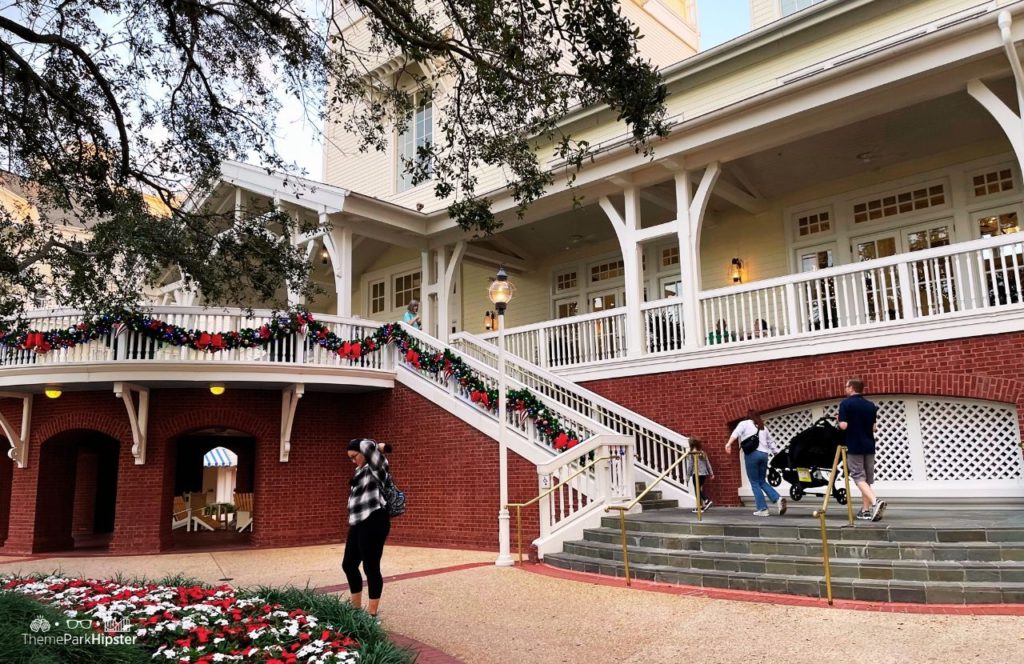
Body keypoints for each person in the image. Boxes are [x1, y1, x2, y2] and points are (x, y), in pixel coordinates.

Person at [343, 438, 393, 621]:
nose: (352, 461)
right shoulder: (360, 471)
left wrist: (377, 445)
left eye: (354, 456)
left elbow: (365, 444)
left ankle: (372, 615)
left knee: (370, 566)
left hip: (374, 521)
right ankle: (355, 612)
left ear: (364, 453)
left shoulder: (377, 467)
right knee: (348, 564)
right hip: (357, 522)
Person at [838, 378, 885, 521]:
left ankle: (876, 502)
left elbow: (844, 426)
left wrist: (839, 419)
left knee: (858, 476)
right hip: (869, 445)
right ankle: (865, 511)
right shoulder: (870, 405)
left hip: (855, 445)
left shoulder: (845, 404)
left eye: (846, 386)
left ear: (851, 388)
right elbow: (874, 428)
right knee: (866, 479)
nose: (845, 389)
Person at [726, 410, 787, 517]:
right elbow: (771, 443)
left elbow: (736, 433)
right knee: (761, 481)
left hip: (752, 455)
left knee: (754, 482)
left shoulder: (744, 423)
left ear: (747, 416)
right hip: (764, 455)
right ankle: (778, 499)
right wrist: (776, 454)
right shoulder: (763, 427)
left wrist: (728, 444)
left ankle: (762, 509)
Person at [683, 438, 714, 513]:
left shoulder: (692, 453)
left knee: (697, 490)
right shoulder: (702, 452)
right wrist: (711, 473)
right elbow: (707, 463)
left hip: (696, 474)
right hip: (704, 474)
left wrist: (687, 476)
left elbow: (690, 465)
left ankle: (706, 500)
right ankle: (701, 507)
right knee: (699, 490)